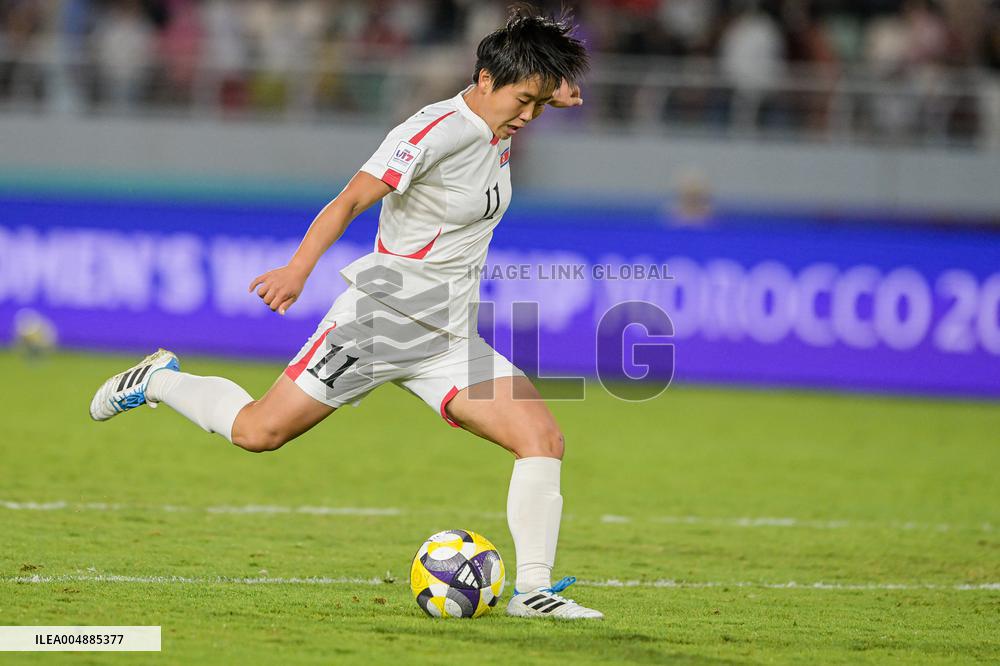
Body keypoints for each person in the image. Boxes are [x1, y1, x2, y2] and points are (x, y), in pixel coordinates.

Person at [89, 6, 601, 620]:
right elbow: (350, 199)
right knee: (259, 432)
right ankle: (157, 381)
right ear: (485, 79)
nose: (529, 116)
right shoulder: (433, 131)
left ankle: (531, 593)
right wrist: (297, 269)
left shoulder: (502, 116)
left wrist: (554, 84)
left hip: (447, 336)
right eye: (523, 101)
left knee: (542, 439)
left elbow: (546, 85)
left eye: (541, 105)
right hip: (379, 323)